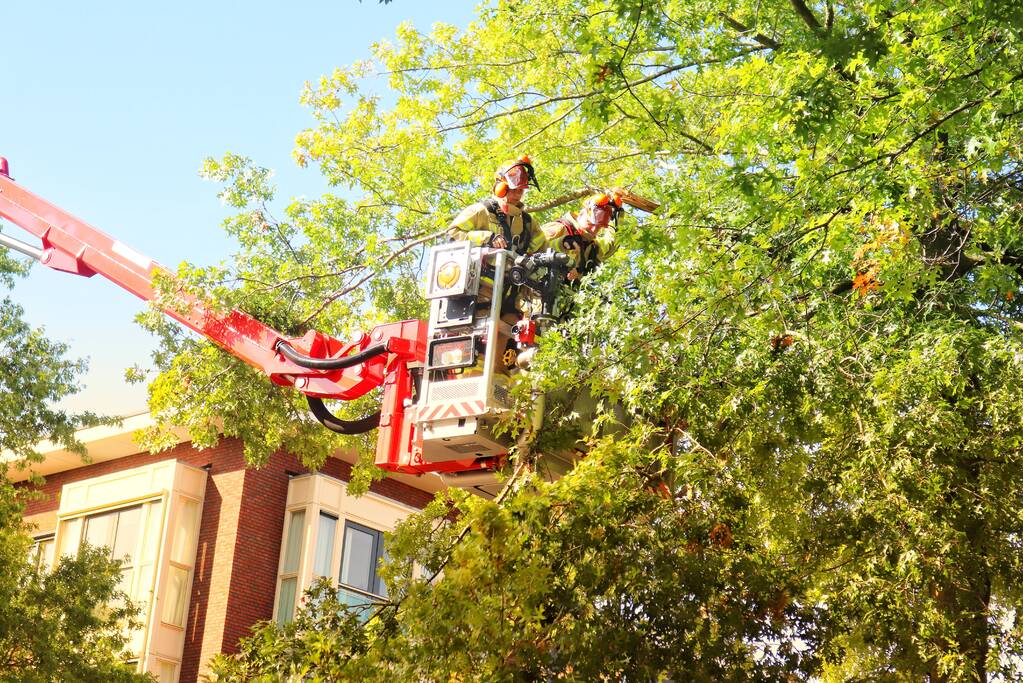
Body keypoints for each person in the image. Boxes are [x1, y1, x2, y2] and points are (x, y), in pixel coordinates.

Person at [448, 156, 544, 255]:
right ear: (500, 188)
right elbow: (452, 234)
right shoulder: (481, 211)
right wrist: (487, 238)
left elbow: (545, 247)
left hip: (512, 270)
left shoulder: (528, 222)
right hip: (481, 269)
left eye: (521, 190)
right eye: (513, 190)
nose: (518, 194)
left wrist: (561, 243)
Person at [540, 191, 623, 282]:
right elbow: (532, 246)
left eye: (599, 227)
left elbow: (611, 244)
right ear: (582, 214)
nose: (593, 230)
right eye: (591, 224)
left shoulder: (592, 248)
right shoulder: (559, 228)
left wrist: (617, 219)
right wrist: (562, 244)